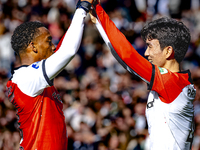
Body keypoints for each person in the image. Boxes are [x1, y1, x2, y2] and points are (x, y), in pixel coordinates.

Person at [90, 1, 196, 149]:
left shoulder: (170, 82)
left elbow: (127, 56)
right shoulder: (174, 84)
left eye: (150, 46)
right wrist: (98, 21)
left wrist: (99, 11)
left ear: (168, 51)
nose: (146, 53)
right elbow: (123, 58)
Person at [6, 0, 93, 149]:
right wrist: (82, 8)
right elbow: (67, 51)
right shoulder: (26, 77)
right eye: (48, 41)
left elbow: (61, 50)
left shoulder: (32, 78)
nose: (53, 47)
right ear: (32, 46)